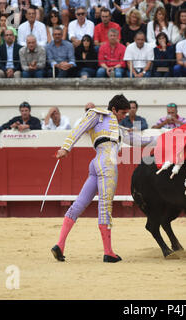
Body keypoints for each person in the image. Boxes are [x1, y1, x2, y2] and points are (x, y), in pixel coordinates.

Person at [51, 94, 132, 263]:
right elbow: (79, 128)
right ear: (114, 109)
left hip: (96, 164)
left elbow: (139, 140)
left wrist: (165, 138)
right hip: (107, 163)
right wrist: (65, 148)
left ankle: (60, 244)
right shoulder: (98, 114)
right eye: (123, 113)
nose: (125, 116)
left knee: (79, 204)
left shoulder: (119, 129)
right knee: (105, 206)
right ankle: (108, 252)